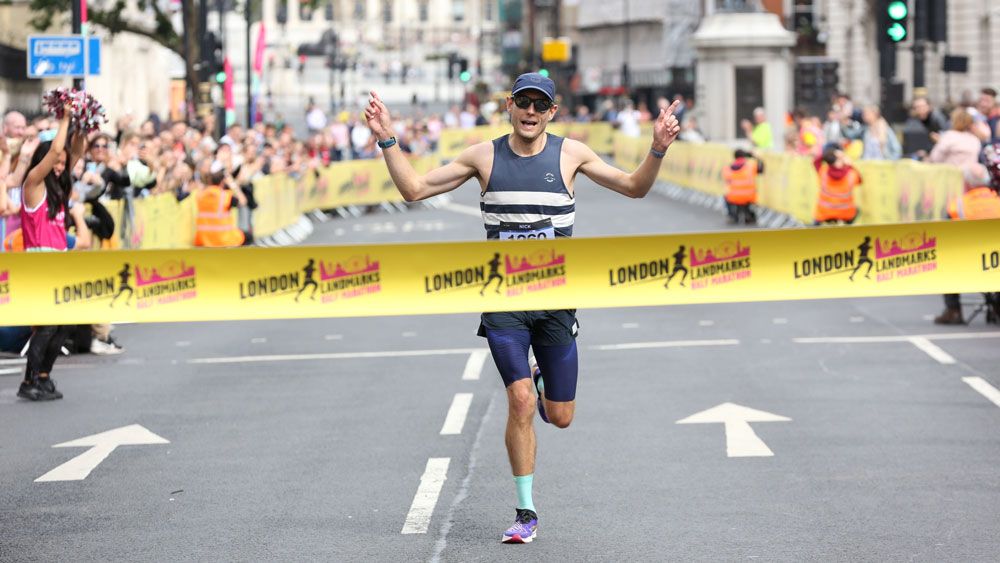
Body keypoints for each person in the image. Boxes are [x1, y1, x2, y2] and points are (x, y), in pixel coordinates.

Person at [364, 72, 681, 544]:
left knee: (561, 415)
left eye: (540, 105)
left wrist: (657, 148)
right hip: (504, 303)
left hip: (556, 302)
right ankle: (526, 511)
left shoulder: (571, 153)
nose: (530, 112)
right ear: (509, 106)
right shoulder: (483, 155)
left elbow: (634, 187)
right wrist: (388, 137)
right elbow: (413, 189)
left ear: (552, 112)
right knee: (520, 402)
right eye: (523, 103)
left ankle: (539, 379)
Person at [12, 103, 89, 401]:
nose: (59, 167)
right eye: (54, 164)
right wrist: (66, 118)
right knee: (46, 325)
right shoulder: (33, 185)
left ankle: (44, 376)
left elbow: (75, 152)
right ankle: (29, 381)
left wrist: (82, 124)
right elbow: (57, 153)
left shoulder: (59, 189)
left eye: (61, 165)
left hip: (60, 263)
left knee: (65, 323)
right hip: (39, 264)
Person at [935, 157, 1000, 324]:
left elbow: (944, 235)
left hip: (969, 263)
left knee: (945, 259)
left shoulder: (958, 205)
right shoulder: (997, 199)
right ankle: (995, 307)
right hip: (996, 260)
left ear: (967, 183)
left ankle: (953, 310)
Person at [193, 160, 247, 247]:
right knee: (243, 237)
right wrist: (232, 184)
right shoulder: (225, 196)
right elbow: (243, 201)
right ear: (223, 181)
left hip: (204, 241)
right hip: (223, 241)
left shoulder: (200, 195)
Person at [813, 146, 862, 225]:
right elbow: (860, 180)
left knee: (815, 220)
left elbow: (816, 162)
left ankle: (813, 229)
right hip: (845, 214)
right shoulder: (851, 174)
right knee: (858, 211)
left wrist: (831, 153)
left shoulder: (823, 171)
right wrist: (850, 165)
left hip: (824, 213)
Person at [722, 149, 762, 225]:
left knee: (725, 196)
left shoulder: (727, 169)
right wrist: (756, 157)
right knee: (748, 205)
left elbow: (727, 181)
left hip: (733, 197)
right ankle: (749, 216)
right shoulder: (750, 166)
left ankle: (732, 216)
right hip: (749, 196)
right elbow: (761, 169)